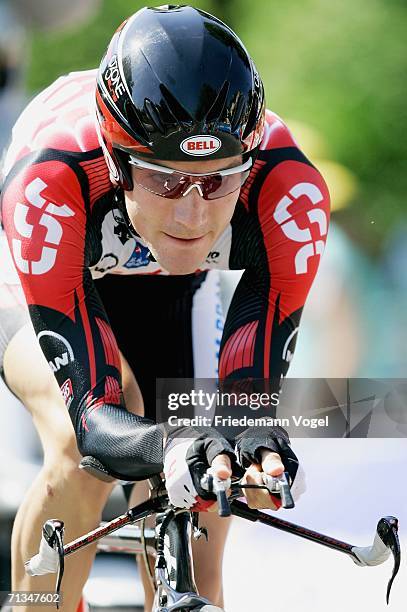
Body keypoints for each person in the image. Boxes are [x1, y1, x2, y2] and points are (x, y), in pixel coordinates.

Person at [0, 5, 330, 611]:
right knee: (80, 455)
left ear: (249, 163)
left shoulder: (290, 194)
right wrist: (170, 442)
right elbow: (94, 420)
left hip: (177, 295)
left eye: (218, 181)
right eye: (165, 180)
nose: (193, 214)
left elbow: (245, 395)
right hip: (49, 276)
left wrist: (252, 440)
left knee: (214, 480)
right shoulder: (51, 183)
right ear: (117, 161)